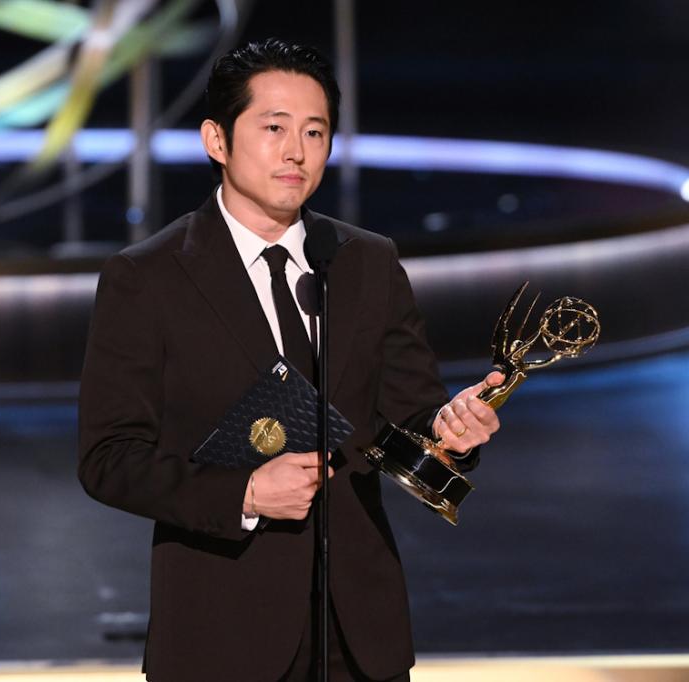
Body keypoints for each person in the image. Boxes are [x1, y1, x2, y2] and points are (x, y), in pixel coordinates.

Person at [78, 38, 503, 682]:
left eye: (315, 131)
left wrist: (453, 433)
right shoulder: (149, 278)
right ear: (216, 141)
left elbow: (411, 418)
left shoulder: (367, 262)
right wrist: (245, 493)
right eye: (273, 128)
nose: (296, 152)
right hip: (221, 632)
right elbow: (108, 459)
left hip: (361, 633)